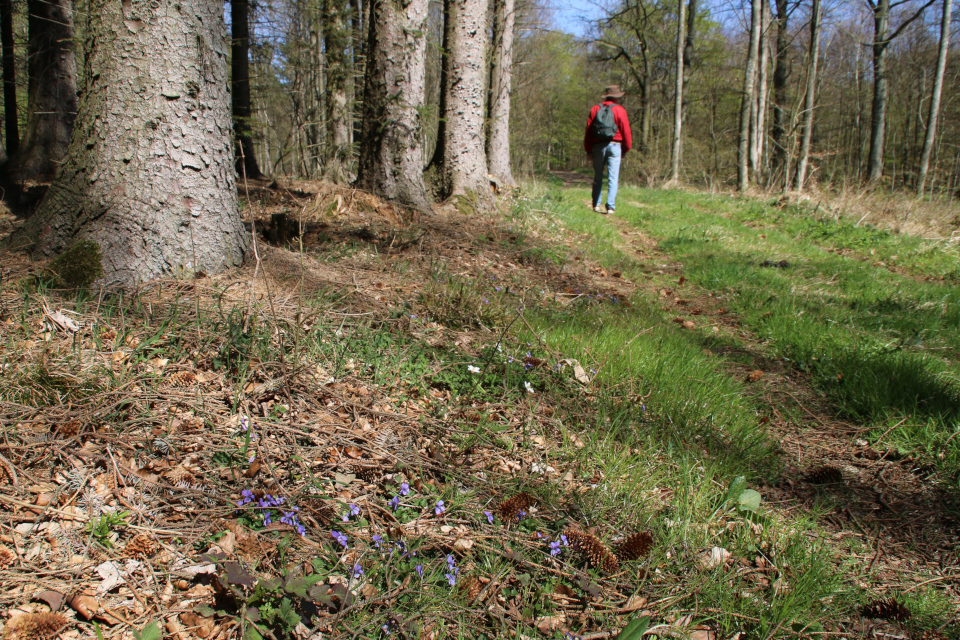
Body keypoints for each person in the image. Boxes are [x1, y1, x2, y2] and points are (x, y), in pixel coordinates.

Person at [583, 85, 633, 214]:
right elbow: (626, 130)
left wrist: (588, 150)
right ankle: (610, 207)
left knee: (598, 176)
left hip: (598, 146)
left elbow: (588, 131)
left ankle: (596, 205)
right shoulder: (620, 110)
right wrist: (626, 149)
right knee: (613, 177)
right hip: (615, 145)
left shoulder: (595, 109)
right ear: (617, 97)